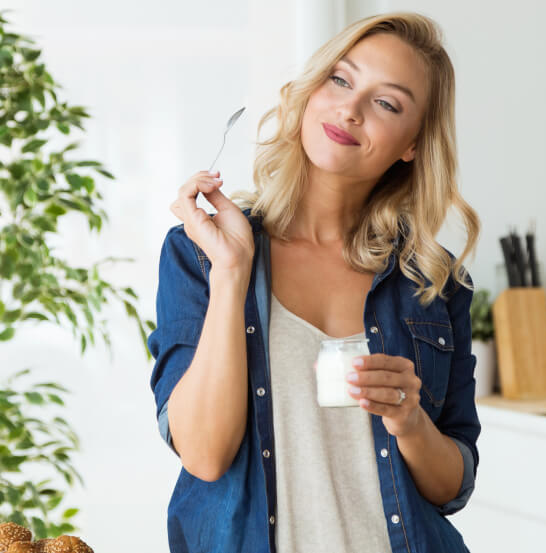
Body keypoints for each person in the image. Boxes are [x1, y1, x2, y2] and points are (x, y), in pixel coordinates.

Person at [148, 11, 482, 553]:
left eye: (386, 103)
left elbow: (453, 484)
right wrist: (234, 272)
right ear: (310, 91)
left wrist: (410, 420)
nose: (349, 109)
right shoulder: (201, 255)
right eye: (341, 79)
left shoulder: (434, 281)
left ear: (412, 144)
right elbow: (205, 456)